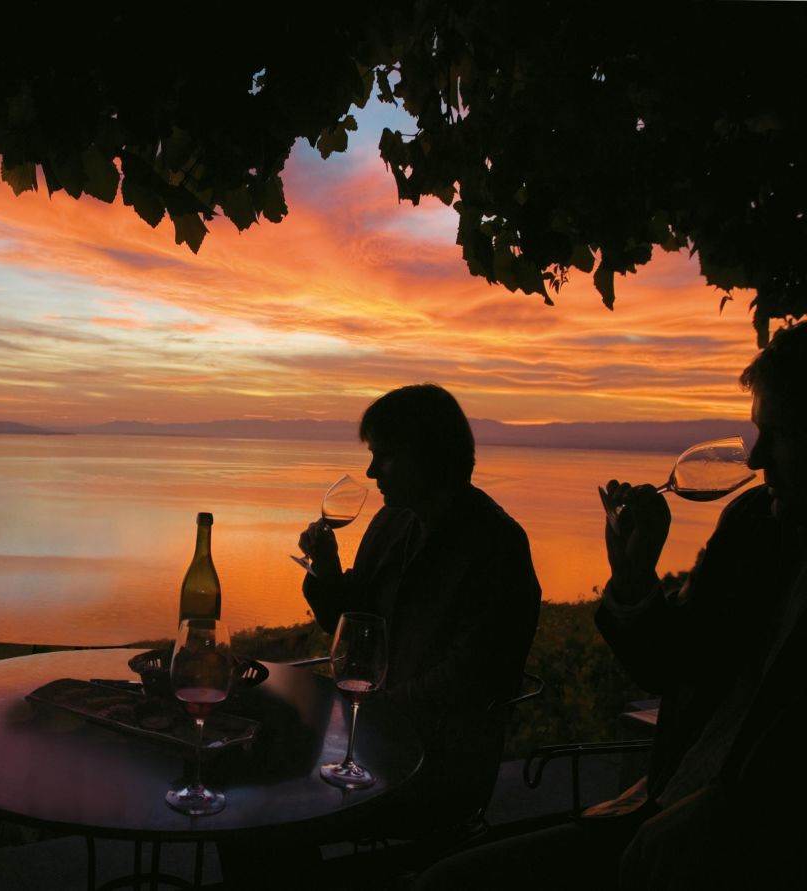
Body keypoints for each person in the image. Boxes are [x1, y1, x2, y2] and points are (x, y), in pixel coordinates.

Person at [417, 324, 807, 890]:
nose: (759, 457)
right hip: (657, 813)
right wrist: (633, 575)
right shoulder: (754, 527)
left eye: (784, 435)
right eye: (757, 433)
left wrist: (733, 809)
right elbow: (670, 667)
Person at [299, 383, 542, 835]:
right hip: (367, 746)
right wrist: (328, 573)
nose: (372, 472)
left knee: (266, 821)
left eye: (385, 456)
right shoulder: (392, 523)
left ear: (429, 454)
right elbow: (350, 625)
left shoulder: (497, 547)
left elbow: (469, 680)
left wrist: (364, 713)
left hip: (439, 774)